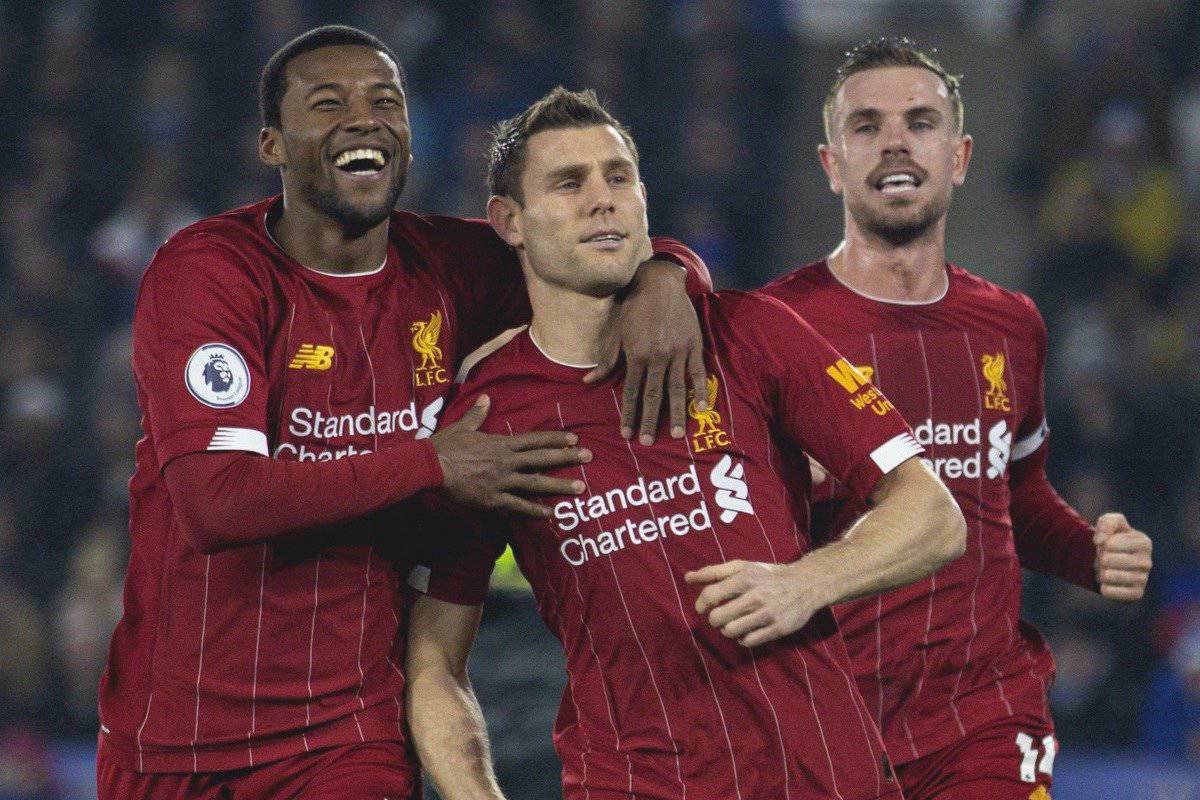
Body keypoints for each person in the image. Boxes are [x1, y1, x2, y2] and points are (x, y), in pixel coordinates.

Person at [96, 25, 712, 800]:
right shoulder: (210, 273)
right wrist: (431, 463)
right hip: (170, 740)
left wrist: (667, 274)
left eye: (386, 101)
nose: (365, 118)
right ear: (273, 146)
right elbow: (217, 500)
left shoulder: (448, 267)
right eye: (329, 104)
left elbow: (586, 247)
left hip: (348, 735)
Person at [405, 86, 967, 800]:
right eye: (568, 182)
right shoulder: (486, 415)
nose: (602, 199)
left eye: (618, 177)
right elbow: (433, 663)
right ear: (508, 221)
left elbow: (934, 514)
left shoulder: (745, 334)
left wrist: (807, 582)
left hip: (826, 778)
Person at [758, 37, 1154, 800]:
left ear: (962, 155)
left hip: (984, 716)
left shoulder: (1012, 324)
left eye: (921, 121)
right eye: (867, 126)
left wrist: (1087, 554)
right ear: (831, 163)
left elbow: (1016, 496)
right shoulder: (767, 329)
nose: (896, 142)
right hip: (821, 720)